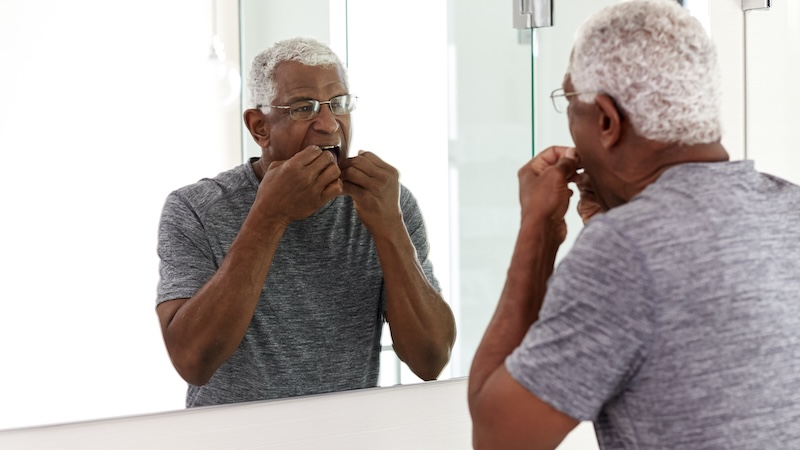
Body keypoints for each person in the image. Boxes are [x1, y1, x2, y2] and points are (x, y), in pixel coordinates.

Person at [468, 0, 800, 448]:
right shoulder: (790, 207)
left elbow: (500, 437)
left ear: (606, 119)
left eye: (569, 102)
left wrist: (536, 230)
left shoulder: (624, 249)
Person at [155, 36, 456, 407]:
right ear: (259, 127)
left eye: (339, 104)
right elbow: (192, 361)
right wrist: (268, 217)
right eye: (304, 108)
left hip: (348, 438)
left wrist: (390, 227)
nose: (329, 124)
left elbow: (431, 360)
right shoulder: (196, 209)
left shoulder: (386, 202)